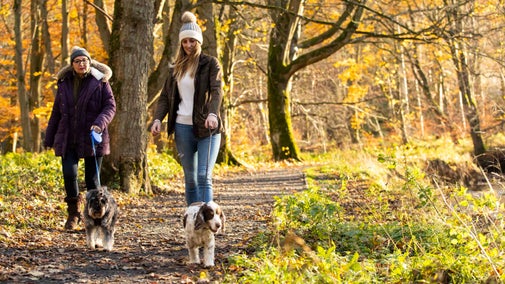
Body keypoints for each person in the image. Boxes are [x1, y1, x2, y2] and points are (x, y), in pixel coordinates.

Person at [151, 11, 223, 206]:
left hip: (208, 127)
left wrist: (213, 114)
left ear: (198, 41)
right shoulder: (176, 68)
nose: (188, 45)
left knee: (203, 176)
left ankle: (207, 224)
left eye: (192, 41)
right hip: (182, 128)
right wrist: (157, 119)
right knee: (190, 179)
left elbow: (217, 91)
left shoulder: (210, 63)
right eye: (185, 42)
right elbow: (166, 97)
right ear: (181, 44)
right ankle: (192, 221)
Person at [44, 46, 116, 230]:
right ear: (72, 64)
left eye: (85, 60)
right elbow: (56, 112)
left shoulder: (100, 81)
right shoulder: (64, 82)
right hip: (69, 136)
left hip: (93, 136)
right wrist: (49, 137)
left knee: (93, 181)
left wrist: (99, 123)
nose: (81, 64)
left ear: (90, 63)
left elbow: (110, 107)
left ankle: (96, 217)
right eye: (77, 61)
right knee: (69, 173)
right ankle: (73, 213)